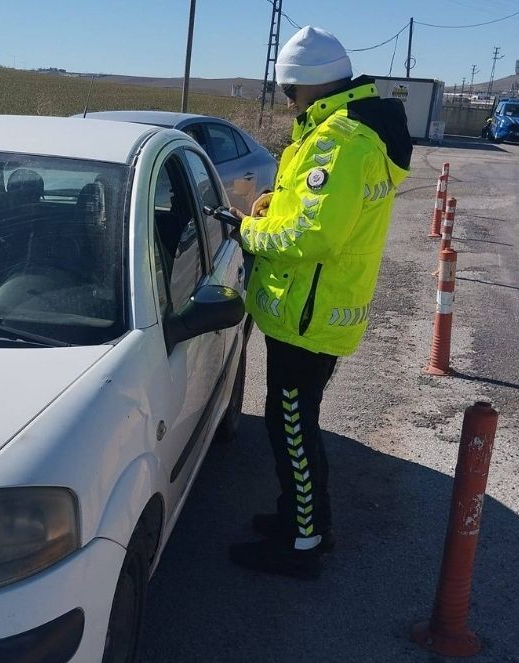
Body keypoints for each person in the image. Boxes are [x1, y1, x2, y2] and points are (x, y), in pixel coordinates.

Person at [227, 26, 413, 579]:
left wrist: (247, 234)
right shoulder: (343, 131)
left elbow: (314, 238)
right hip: (315, 307)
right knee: (291, 423)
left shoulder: (340, 142)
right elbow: (311, 211)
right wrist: (271, 206)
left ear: (310, 86)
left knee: (293, 428)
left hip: (309, 314)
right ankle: (298, 519)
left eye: (289, 91)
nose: (287, 103)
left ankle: (304, 541)